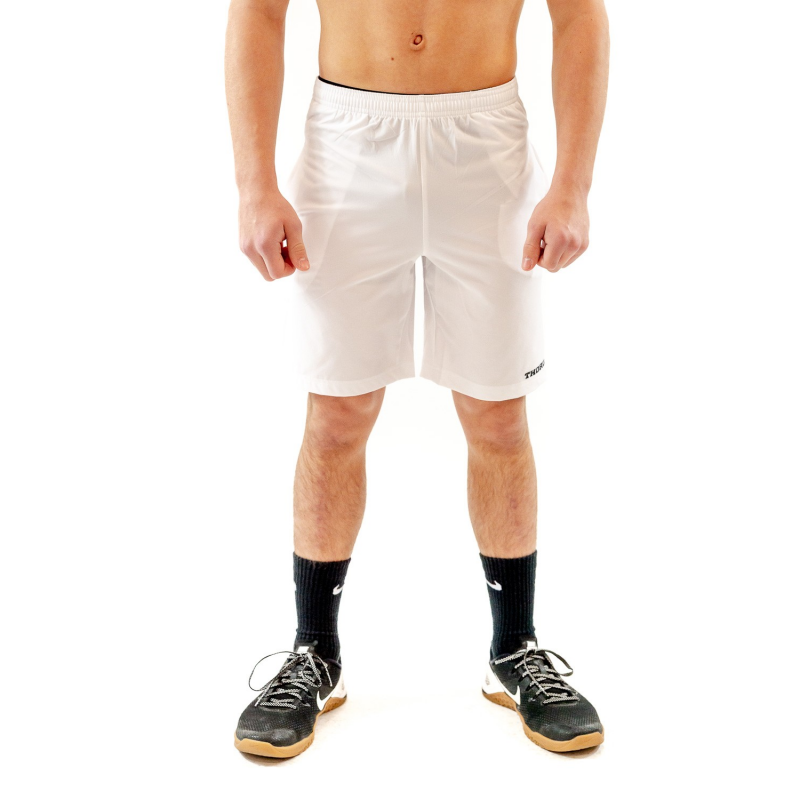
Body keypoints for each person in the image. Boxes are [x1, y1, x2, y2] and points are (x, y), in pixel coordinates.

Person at [224, 0, 609, 758]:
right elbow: (259, 11)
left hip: (486, 144)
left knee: (498, 414)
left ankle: (515, 648)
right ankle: (314, 653)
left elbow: (580, 17)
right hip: (349, 143)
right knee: (337, 413)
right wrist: (254, 185)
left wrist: (573, 185)